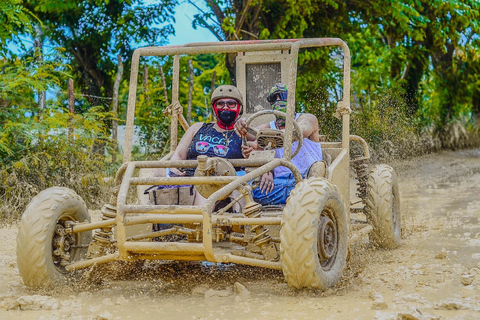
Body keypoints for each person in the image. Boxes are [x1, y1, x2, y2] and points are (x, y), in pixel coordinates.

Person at [145, 84, 246, 206]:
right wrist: (173, 167)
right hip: (189, 175)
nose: (225, 107)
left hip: (221, 181)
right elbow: (178, 154)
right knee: (149, 170)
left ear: (239, 108)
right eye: (220, 104)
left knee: (205, 186)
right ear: (214, 107)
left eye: (231, 103)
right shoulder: (198, 127)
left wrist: (244, 123)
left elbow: (259, 143)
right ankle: (141, 213)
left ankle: (201, 222)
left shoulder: (243, 132)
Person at [235, 83, 323, 205]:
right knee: (239, 183)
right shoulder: (268, 127)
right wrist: (241, 123)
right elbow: (247, 132)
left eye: (282, 96)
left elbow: (298, 132)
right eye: (273, 98)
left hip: (306, 180)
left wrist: (260, 140)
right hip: (276, 184)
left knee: (310, 193)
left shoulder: (307, 119)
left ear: (292, 99)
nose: (278, 101)